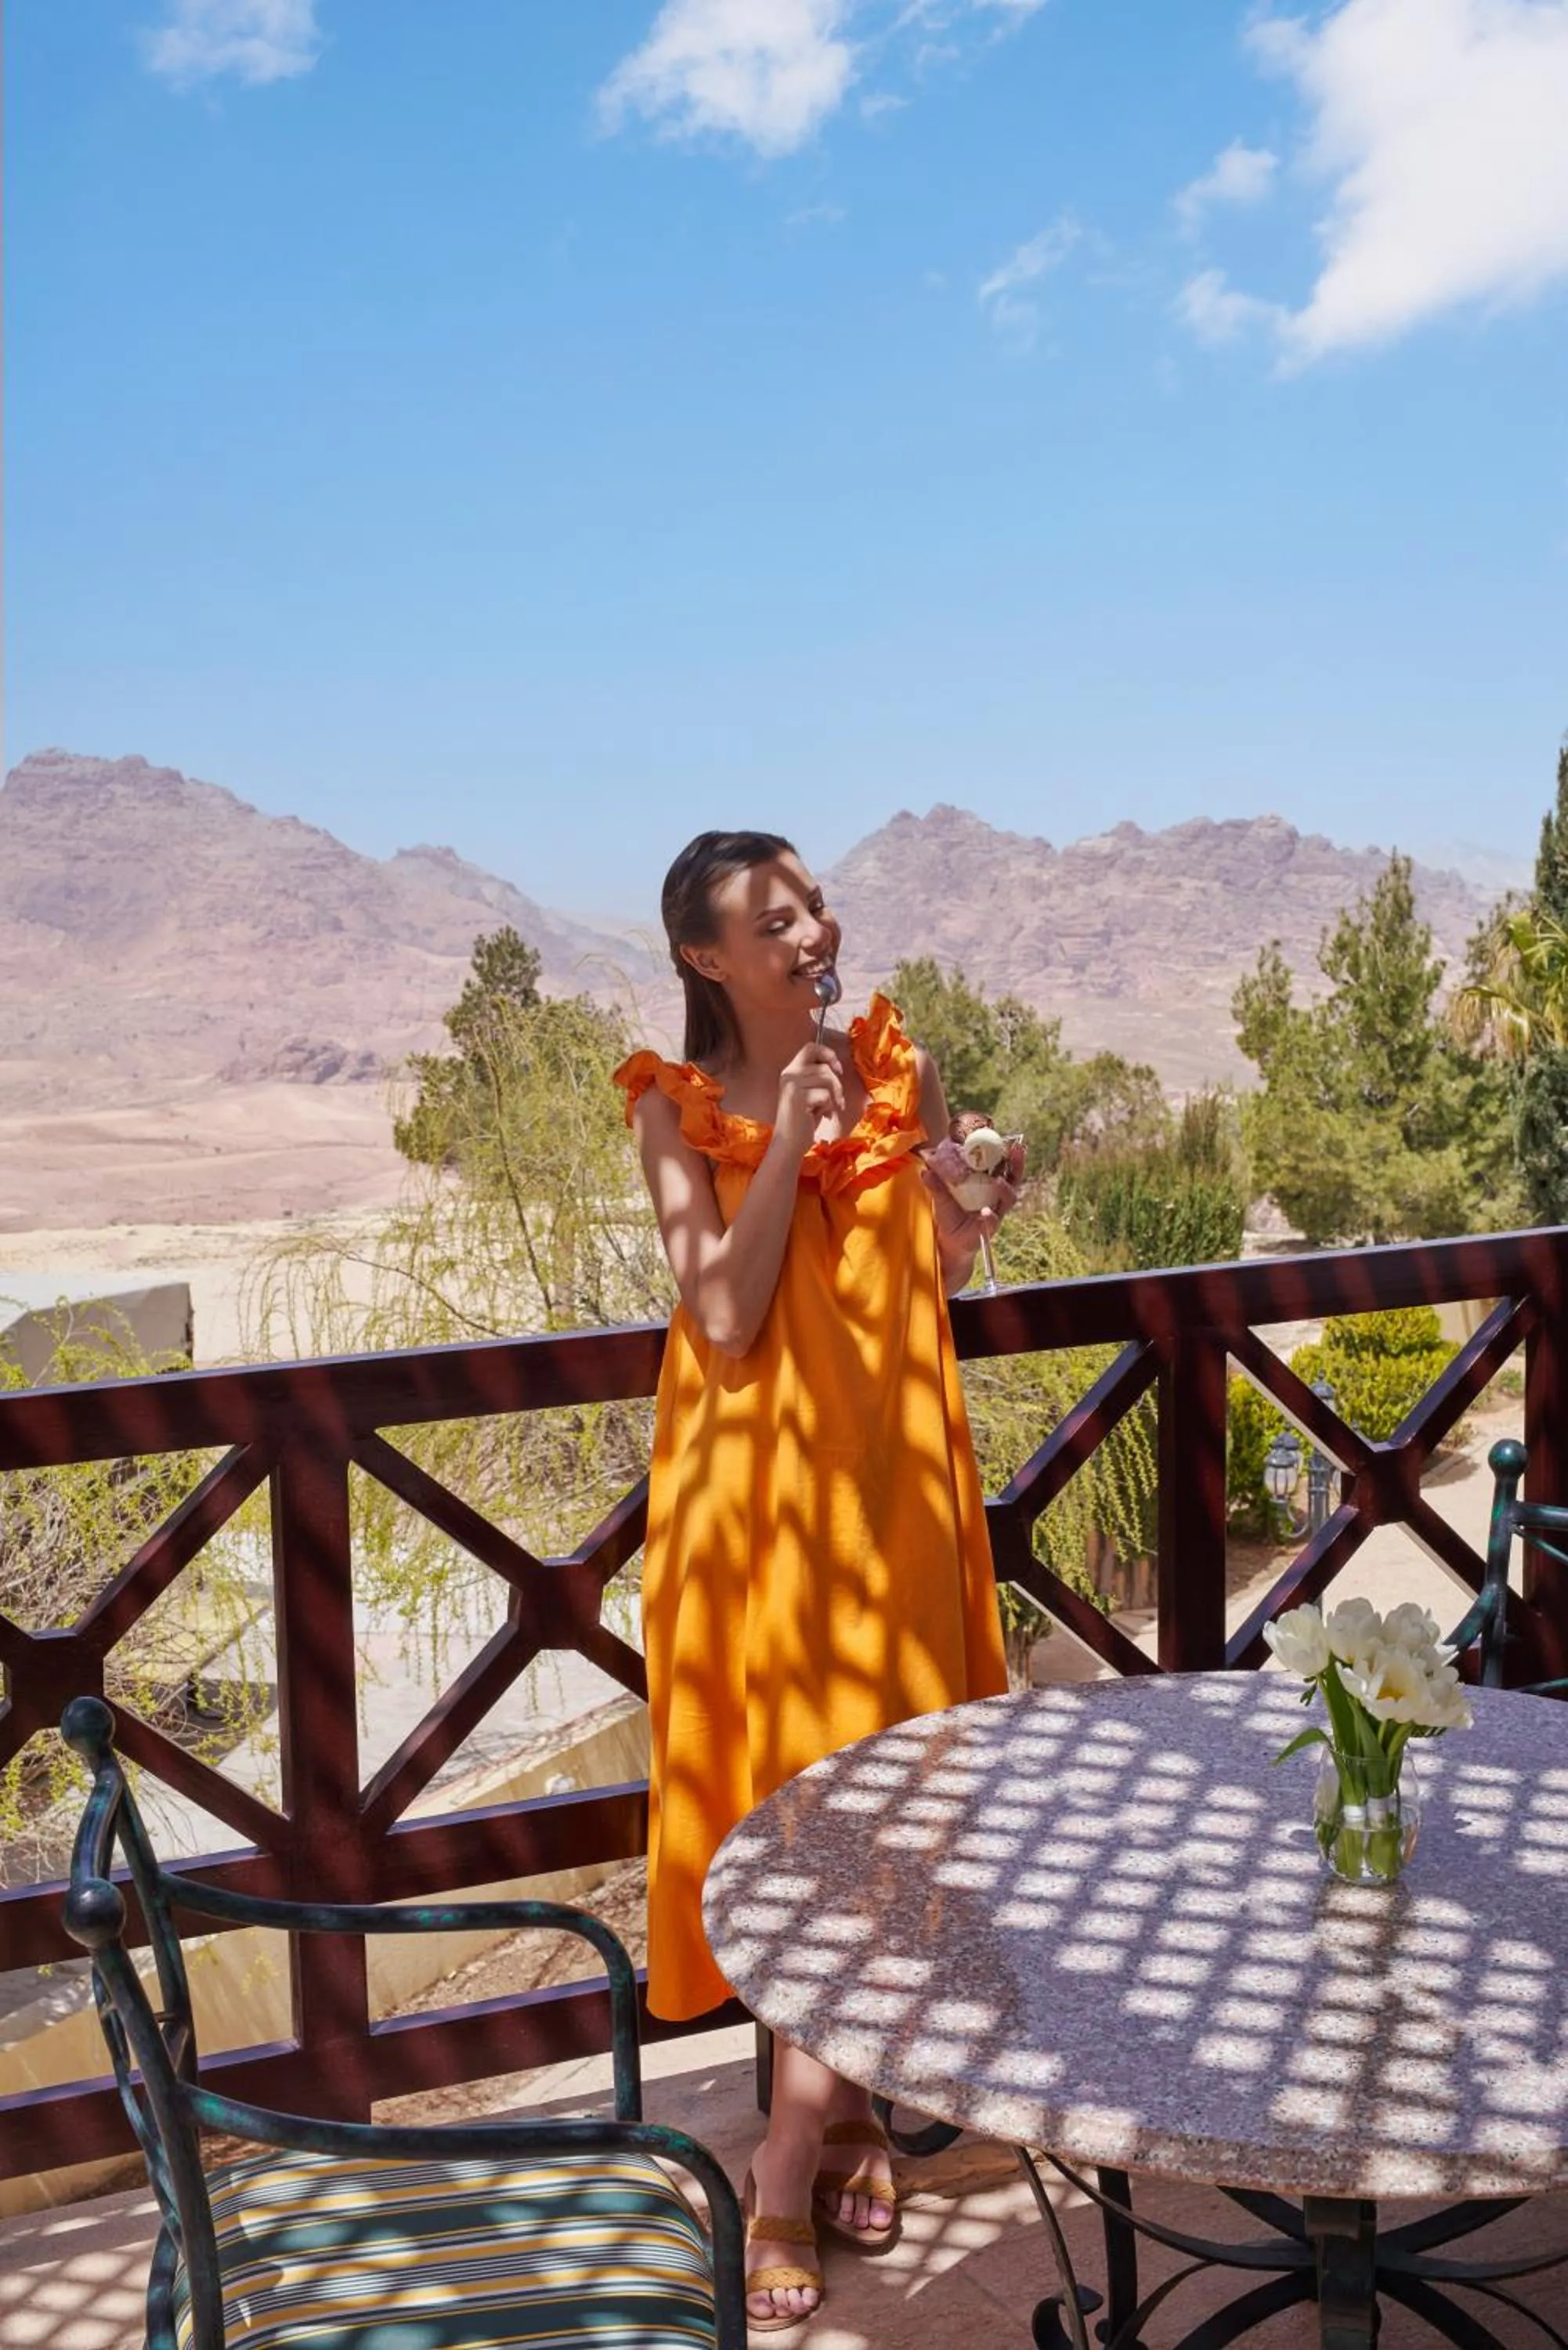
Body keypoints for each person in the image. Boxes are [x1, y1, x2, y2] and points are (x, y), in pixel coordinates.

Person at [613, 830, 1013, 2334]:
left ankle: (837, 2120)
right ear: (706, 957)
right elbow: (720, 1313)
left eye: (811, 906)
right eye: (770, 919)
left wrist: (971, 1210)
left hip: (894, 1498)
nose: (809, 929)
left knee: (891, 1809)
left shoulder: (888, 1065)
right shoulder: (673, 1103)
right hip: (760, 1507)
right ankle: (796, 2146)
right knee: (799, 1820)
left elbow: (930, 1275)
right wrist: (783, 1134)